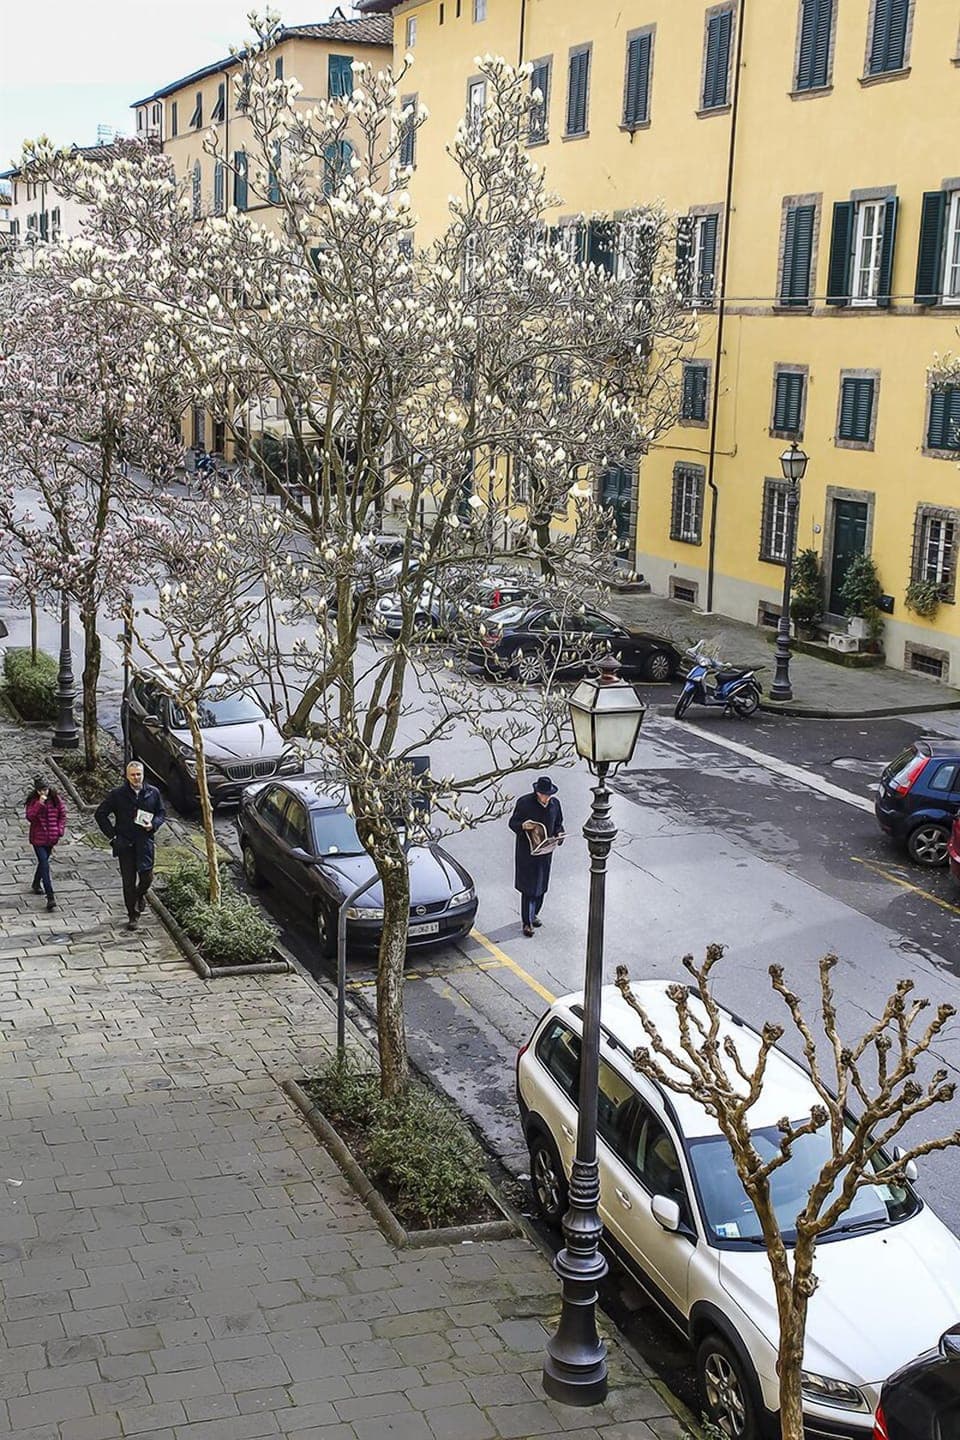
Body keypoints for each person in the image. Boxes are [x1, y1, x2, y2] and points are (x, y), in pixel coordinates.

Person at [94, 761, 166, 929]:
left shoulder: (153, 792)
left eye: (138, 774)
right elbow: (101, 814)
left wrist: (154, 824)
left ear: (143, 774)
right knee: (128, 882)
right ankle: (132, 914)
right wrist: (112, 836)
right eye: (133, 775)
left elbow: (161, 812)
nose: (136, 778)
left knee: (147, 877)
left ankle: (140, 894)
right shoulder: (117, 794)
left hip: (145, 842)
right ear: (127, 776)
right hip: (125, 843)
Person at [509, 776, 564, 937]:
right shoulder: (525, 803)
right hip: (527, 852)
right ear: (537, 792)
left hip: (545, 852)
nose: (546, 798)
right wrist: (523, 826)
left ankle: (534, 914)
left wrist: (559, 833)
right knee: (528, 888)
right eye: (543, 794)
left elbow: (558, 823)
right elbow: (513, 823)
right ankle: (527, 922)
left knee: (541, 886)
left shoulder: (555, 805)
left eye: (548, 795)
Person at [25, 775, 67, 912]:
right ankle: (50, 896)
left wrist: (60, 830)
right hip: (38, 839)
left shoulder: (55, 799)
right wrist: (39, 804)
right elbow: (30, 817)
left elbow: (62, 814)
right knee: (45, 864)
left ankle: (36, 882)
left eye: (46, 789)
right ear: (37, 791)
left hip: (51, 837)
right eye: (41, 790)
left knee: (43, 863)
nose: (44, 792)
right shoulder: (33, 801)